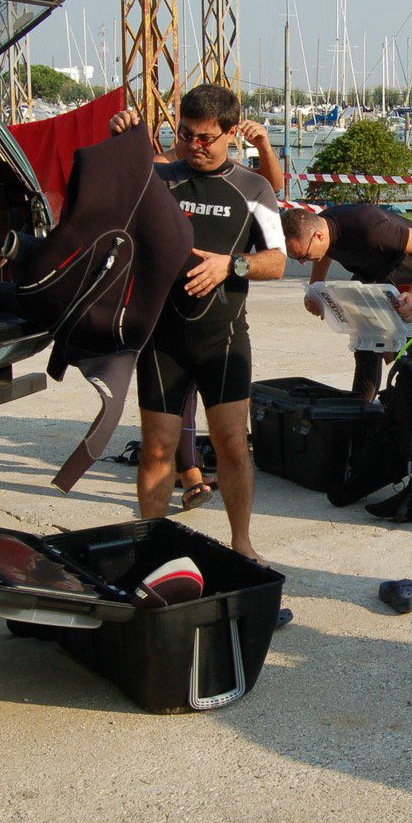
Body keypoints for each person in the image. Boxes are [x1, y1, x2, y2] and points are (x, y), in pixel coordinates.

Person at [107, 86, 287, 563]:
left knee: (231, 446)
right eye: (185, 134)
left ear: (231, 133)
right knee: (156, 451)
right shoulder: (158, 175)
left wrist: (232, 267)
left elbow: (278, 261)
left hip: (222, 340)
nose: (193, 145)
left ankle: (242, 543)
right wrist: (122, 142)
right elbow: (107, 200)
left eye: (205, 138)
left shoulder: (254, 188)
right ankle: (153, 546)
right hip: (163, 340)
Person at [282, 204, 412, 402]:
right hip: (375, 271)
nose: (304, 262)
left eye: (303, 256)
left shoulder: (369, 228)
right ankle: (361, 409)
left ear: (319, 236)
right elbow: (324, 254)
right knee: (366, 343)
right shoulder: (320, 227)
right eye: (296, 259)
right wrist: (315, 288)